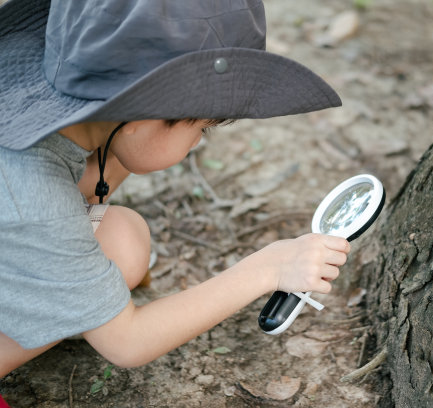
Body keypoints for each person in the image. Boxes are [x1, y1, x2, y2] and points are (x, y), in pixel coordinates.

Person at [0, 0, 351, 384]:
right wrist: (268, 269)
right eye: (203, 128)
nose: (199, 142)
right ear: (142, 116)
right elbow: (128, 343)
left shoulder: (58, 130)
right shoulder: (34, 194)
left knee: (123, 241)